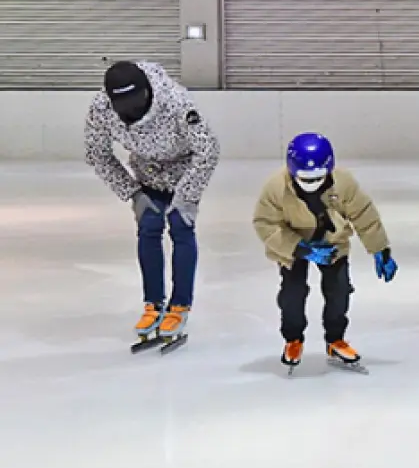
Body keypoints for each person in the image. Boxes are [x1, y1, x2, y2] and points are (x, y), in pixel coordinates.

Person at [84, 60, 221, 341]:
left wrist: (187, 197)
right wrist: (132, 193)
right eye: (124, 107)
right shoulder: (101, 108)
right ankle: (153, 303)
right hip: (146, 172)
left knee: (180, 226)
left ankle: (180, 303)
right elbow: (97, 154)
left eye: (136, 104)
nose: (131, 112)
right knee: (149, 226)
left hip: (185, 171)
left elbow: (207, 149)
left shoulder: (176, 102)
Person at [252, 132, 397, 373]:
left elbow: (364, 215)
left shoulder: (344, 184)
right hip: (294, 245)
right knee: (292, 292)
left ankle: (335, 339)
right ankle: (293, 338)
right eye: (305, 179)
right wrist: (299, 248)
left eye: (318, 178)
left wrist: (380, 249)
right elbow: (265, 223)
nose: (312, 183)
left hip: (332, 242)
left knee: (339, 290)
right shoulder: (276, 188)